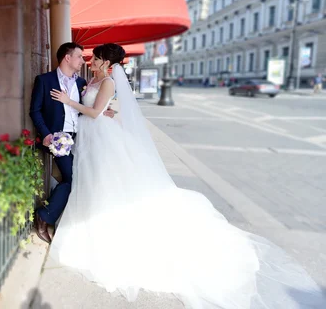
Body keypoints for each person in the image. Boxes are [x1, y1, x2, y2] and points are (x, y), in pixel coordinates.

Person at [47, 43, 325, 309]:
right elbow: (100, 110)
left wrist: (71, 101)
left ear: (107, 62)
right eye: (91, 58)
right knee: (94, 183)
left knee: (104, 182)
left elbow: (94, 112)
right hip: (93, 137)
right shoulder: (92, 82)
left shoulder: (107, 82)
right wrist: (89, 106)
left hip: (100, 136)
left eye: (96, 58)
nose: (91, 61)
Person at [29, 42, 113, 243]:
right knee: (73, 177)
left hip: (83, 137)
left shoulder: (81, 83)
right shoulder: (45, 80)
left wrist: (104, 112)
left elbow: (90, 107)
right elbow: (35, 110)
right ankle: (44, 216)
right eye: (79, 56)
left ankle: (52, 216)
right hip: (58, 139)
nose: (83, 60)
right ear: (67, 58)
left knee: (77, 178)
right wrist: (47, 134)